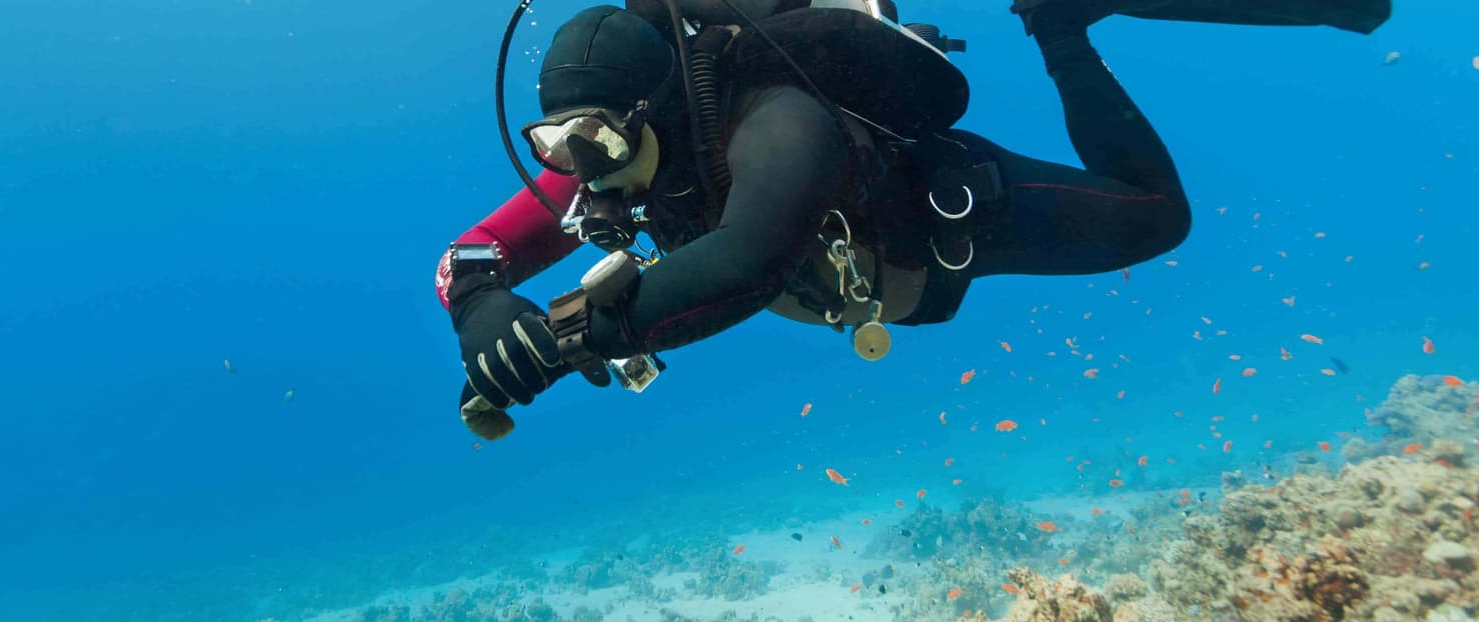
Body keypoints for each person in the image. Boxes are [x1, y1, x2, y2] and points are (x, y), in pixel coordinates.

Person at [437, 0, 1389, 438]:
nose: (573, 173)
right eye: (553, 143)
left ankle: (1063, 28)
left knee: (1161, 220)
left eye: (591, 142)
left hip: (939, 224)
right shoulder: (598, 167)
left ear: (650, 112)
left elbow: (749, 257)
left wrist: (563, 335)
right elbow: (470, 255)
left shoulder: (779, 121)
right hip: (857, 283)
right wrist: (484, 310)